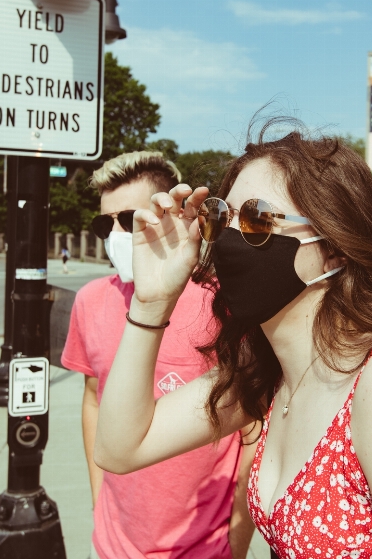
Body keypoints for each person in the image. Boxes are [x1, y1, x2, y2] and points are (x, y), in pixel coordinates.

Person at [93, 124, 372, 558]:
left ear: (335, 247)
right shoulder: (269, 374)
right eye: (220, 217)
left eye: (256, 218)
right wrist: (151, 302)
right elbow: (120, 447)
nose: (230, 239)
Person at [60, 150, 257, 559]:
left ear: (164, 215)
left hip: (204, 549)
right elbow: (94, 400)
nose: (116, 233)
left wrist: (236, 544)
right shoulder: (90, 301)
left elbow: (252, 433)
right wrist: (99, 502)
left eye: (128, 219)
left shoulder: (221, 305)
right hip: (113, 546)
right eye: (104, 223)